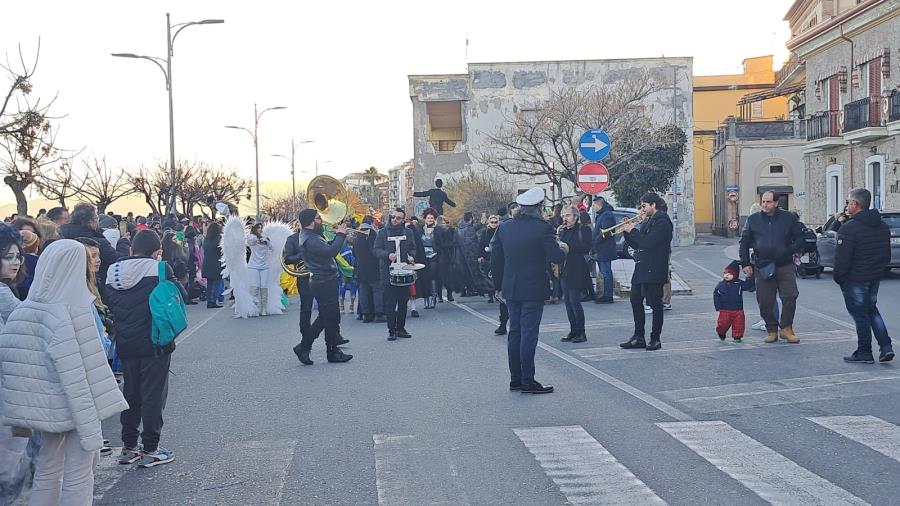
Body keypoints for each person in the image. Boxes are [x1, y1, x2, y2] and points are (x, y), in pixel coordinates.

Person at [0, 240, 128, 503]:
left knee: (47, 467)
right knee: (79, 473)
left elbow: (15, 369)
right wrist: (91, 426)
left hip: (42, 409)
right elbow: (76, 376)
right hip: (75, 408)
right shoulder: (74, 311)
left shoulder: (23, 310)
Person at [105, 230, 185, 468]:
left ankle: (128, 446)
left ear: (131, 249)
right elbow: (178, 295)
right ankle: (150, 448)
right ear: (156, 251)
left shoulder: (112, 271)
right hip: (155, 341)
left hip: (126, 343)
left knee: (131, 393)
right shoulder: (158, 268)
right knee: (153, 395)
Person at [491, 187, 567, 394]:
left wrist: (498, 286)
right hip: (533, 288)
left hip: (510, 287)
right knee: (529, 334)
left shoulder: (505, 227)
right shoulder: (543, 228)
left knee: (514, 332)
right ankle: (528, 379)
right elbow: (556, 257)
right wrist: (563, 249)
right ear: (538, 207)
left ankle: (515, 379)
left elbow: (495, 258)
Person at [834, 188, 894, 363]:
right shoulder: (882, 225)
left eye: (848, 202)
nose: (846, 205)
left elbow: (842, 259)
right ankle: (885, 346)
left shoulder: (849, 228)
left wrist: (839, 278)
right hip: (873, 276)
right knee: (871, 309)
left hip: (855, 278)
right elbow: (886, 254)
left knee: (860, 315)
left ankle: (865, 352)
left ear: (855, 204)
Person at [739, 190, 805, 344]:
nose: (765, 205)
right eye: (763, 201)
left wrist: (789, 250)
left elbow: (800, 238)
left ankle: (787, 328)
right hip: (763, 265)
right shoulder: (754, 220)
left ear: (776, 203)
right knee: (765, 300)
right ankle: (771, 329)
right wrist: (745, 263)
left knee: (790, 295)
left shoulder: (788, 218)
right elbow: (744, 242)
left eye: (768, 202)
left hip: (785, 264)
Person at [291, 209, 352, 365]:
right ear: (311, 222)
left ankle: (308, 347)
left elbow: (327, 249)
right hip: (324, 281)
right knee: (329, 318)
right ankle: (327, 351)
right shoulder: (311, 239)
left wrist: (339, 236)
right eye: (318, 218)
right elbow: (330, 252)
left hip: (324, 280)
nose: (322, 221)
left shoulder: (311, 236)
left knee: (326, 318)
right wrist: (341, 235)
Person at [619, 193, 673, 351]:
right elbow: (638, 245)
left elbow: (648, 243)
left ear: (653, 205)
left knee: (655, 305)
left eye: (644, 206)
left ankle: (655, 339)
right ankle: (638, 336)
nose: (641, 210)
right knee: (635, 300)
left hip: (654, 268)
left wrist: (633, 230)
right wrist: (627, 232)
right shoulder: (649, 221)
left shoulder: (663, 222)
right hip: (642, 267)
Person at [374, 208, 418, 340]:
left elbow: (413, 248)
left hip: (404, 271)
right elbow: (376, 250)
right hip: (388, 273)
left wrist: (411, 256)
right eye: (393, 217)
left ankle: (401, 329)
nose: (394, 220)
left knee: (403, 302)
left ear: (403, 220)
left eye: (398, 218)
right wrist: (387, 255)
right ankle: (391, 330)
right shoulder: (382, 232)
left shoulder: (408, 232)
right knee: (390, 303)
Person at [58, 202, 118, 289]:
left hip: (63, 285)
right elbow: (115, 258)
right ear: (91, 221)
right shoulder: (98, 242)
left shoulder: (59, 235)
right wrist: (123, 242)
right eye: (96, 218)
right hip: (93, 286)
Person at [558, 205, 593, 343]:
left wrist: (569, 248)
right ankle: (573, 330)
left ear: (576, 217)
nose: (565, 218)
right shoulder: (563, 230)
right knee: (567, 302)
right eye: (563, 216)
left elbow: (587, 246)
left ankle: (581, 332)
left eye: (567, 215)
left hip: (577, 268)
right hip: (565, 268)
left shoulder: (583, 229)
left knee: (574, 301)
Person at [283, 220, 314, 336]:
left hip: (320, 274)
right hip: (304, 276)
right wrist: (302, 254)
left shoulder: (318, 236)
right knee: (306, 306)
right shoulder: (292, 239)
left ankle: (334, 336)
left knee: (328, 307)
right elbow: (287, 259)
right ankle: (306, 333)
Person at [714, 260, 756, 343]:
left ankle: (737, 337)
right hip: (725, 309)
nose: (727, 276)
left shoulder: (739, 283)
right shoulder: (720, 285)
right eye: (725, 273)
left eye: (730, 274)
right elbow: (716, 295)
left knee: (739, 324)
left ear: (735, 275)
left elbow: (748, 286)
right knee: (723, 324)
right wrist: (718, 306)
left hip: (738, 309)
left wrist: (749, 277)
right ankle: (721, 332)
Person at [351, 217, 384, 322]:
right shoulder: (372, 234)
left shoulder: (357, 236)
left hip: (360, 269)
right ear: (371, 223)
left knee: (363, 293)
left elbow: (354, 253)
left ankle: (365, 314)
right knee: (377, 291)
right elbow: (375, 251)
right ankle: (379, 314)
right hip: (373, 268)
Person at [492, 203, 517, 335]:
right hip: (506, 272)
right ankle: (503, 323)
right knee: (504, 301)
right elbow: (496, 255)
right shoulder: (503, 229)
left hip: (519, 274)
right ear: (509, 214)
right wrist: (497, 283)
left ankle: (512, 325)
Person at [591, 197, 617, 304]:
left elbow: (606, 232)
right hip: (602, 248)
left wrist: (596, 240)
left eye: (594, 206)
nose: (593, 208)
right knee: (604, 272)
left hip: (605, 248)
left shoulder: (607, 215)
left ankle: (608, 295)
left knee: (606, 272)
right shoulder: (602, 214)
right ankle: (606, 294)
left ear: (599, 204)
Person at [246, 222, 274, 315]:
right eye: (258, 227)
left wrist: (266, 241)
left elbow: (272, 248)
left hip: (265, 266)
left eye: (261, 227)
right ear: (255, 228)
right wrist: (257, 240)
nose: (260, 229)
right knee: (255, 286)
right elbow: (249, 243)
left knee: (264, 286)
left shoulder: (265, 237)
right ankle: (254, 308)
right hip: (253, 266)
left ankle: (264, 308)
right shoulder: (251, 237)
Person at [416, 208, 440, 309]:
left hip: (434, 257)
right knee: (424, 278)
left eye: (432, 218)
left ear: (434, 219)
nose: (430, 219)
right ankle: (426, 298)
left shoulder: (438, 230)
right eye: (428, 218)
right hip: (423, 257)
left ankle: (434, 298)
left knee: (432, 278)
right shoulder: (420, 229)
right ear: (425, 219)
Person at [478, 213, 500, 302]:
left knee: (497, 275)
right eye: (492, 222)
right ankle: (490, 295)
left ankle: (497, 293)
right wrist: (480, 256)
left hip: (498, 256)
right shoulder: (485, 232)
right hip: (487, 256)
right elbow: (481, 244)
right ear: (489, 223)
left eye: (495, 222)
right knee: (488, 276)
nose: (494, 224)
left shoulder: (500, 231)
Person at [202, 222, 224, 308]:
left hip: (207, 262)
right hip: (216, 263)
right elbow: (221, 251)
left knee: (210, 283)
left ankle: (209, 301)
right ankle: (213, 300)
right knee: (217, 282)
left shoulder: (206, 239)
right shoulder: (219, 238)